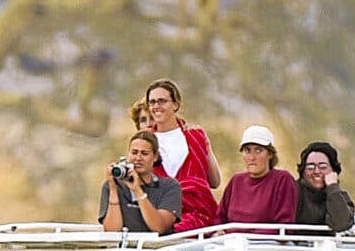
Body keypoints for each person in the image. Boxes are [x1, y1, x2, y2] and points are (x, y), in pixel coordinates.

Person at [141, 79, 219, 232]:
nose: (156, 106)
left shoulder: (196, 136)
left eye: (162, 101)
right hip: (158, 212)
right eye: (152, 102)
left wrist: (206, 146)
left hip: (197, 213)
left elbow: (214, 182)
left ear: (175, 104)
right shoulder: (144, 140)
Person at [97, 132, 180, 235]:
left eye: (144, 153)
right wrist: (113, 189)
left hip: (156, 249)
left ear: (155, 157)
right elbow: (112, 232)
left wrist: (138, 191)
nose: (138, 158)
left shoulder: (169, 186)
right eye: (134, 152)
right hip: (124, 249)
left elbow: (159, 227)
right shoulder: (113, 186)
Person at [215, 125, 297, 226]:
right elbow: (219, 218)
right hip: (232, 240)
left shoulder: (283, 179)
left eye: (258, 150)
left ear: (270, 154)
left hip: (267, 241)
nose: (252, 157)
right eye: (247, 151)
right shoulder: (236, 181)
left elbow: (285, 226)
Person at [296, 141, 355, 234]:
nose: (316, 171)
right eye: (310, 167)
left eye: (323, 167)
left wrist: (332, 187)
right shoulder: (292, 191)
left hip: (328, 247)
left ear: (333, 170)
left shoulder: (340, 196)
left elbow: (341, 224)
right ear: (303, 171)